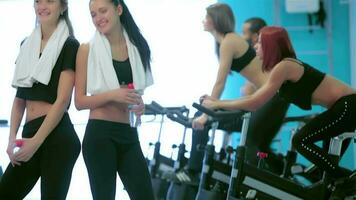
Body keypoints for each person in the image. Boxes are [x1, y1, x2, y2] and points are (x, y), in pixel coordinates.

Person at [201, 26, 356, 180]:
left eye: (260, 43)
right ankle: (344, 182)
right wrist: (217, 102)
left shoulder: (285, 67)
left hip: (348, 106)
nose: (255, 46)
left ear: (270, 47)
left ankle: (348, 181)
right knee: (326, 173)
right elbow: (253, 98)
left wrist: (217, 104)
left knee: (300, 140)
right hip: (343, 108)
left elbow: (254, 103)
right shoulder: (280, 68)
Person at [168, 4, 289, 185]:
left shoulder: (229, 41)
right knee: (259, 145)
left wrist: (204, 115)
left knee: (250, 142)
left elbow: (220, 82)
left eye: (206, 17)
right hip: (273, 97)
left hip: (274, 96)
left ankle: (193, 171)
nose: (203, 20)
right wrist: (209, 105)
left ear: (215, 20)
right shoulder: (227, 42)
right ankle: (285, 173)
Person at [0, 0, 80, 199]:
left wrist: (36, 142)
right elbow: (19, 98)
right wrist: (11, 138)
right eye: (38, 1)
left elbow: (62, 101)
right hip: (30, 132)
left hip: (57, 136)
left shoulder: (70, 45)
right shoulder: (26, 44)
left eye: (50, 1)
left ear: (63, 7)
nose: (42, 6)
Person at [75, 0, 154, 199]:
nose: (98, 18)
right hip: (100, 135)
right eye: (93, 14)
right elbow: (80, 102)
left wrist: (139, 104)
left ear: (118, 9)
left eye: (103, 11)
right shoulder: (86, 49)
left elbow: (134, 90)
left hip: (129, 133)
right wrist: (113, 94)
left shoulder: (137, 47)